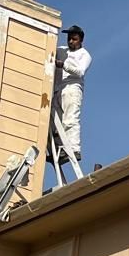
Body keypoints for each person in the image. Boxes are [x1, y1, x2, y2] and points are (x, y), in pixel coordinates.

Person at [52, 25, 91, 174]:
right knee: (57, 119)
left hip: (72, 88)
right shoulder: (62, 50)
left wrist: (64, 65)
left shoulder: (84, 55)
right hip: (59, 89)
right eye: (69, 38)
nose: (71, 41)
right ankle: (59, 147)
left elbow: (80, 71)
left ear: (80, 40)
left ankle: (74, 149)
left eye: (74, 39)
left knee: (71, 119)